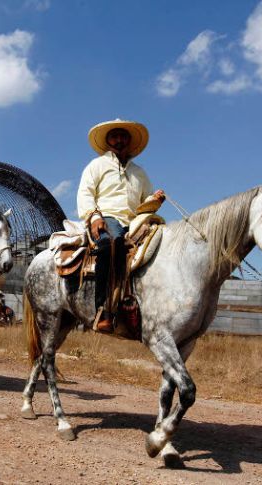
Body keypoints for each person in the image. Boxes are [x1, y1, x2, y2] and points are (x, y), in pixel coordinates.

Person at [76, 119, 166, 333]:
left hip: (134, 221)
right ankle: (103, 310)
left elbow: (145, 203)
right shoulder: (96, 165)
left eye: (123, 136)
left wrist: (155, 198)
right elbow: (85, 193)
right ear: (108, 141)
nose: (119, 140)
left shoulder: (139, 172)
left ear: (129, 141)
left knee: (161, 243)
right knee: (111, 243)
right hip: (106, 217)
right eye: (114, 136)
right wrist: (94, 217)